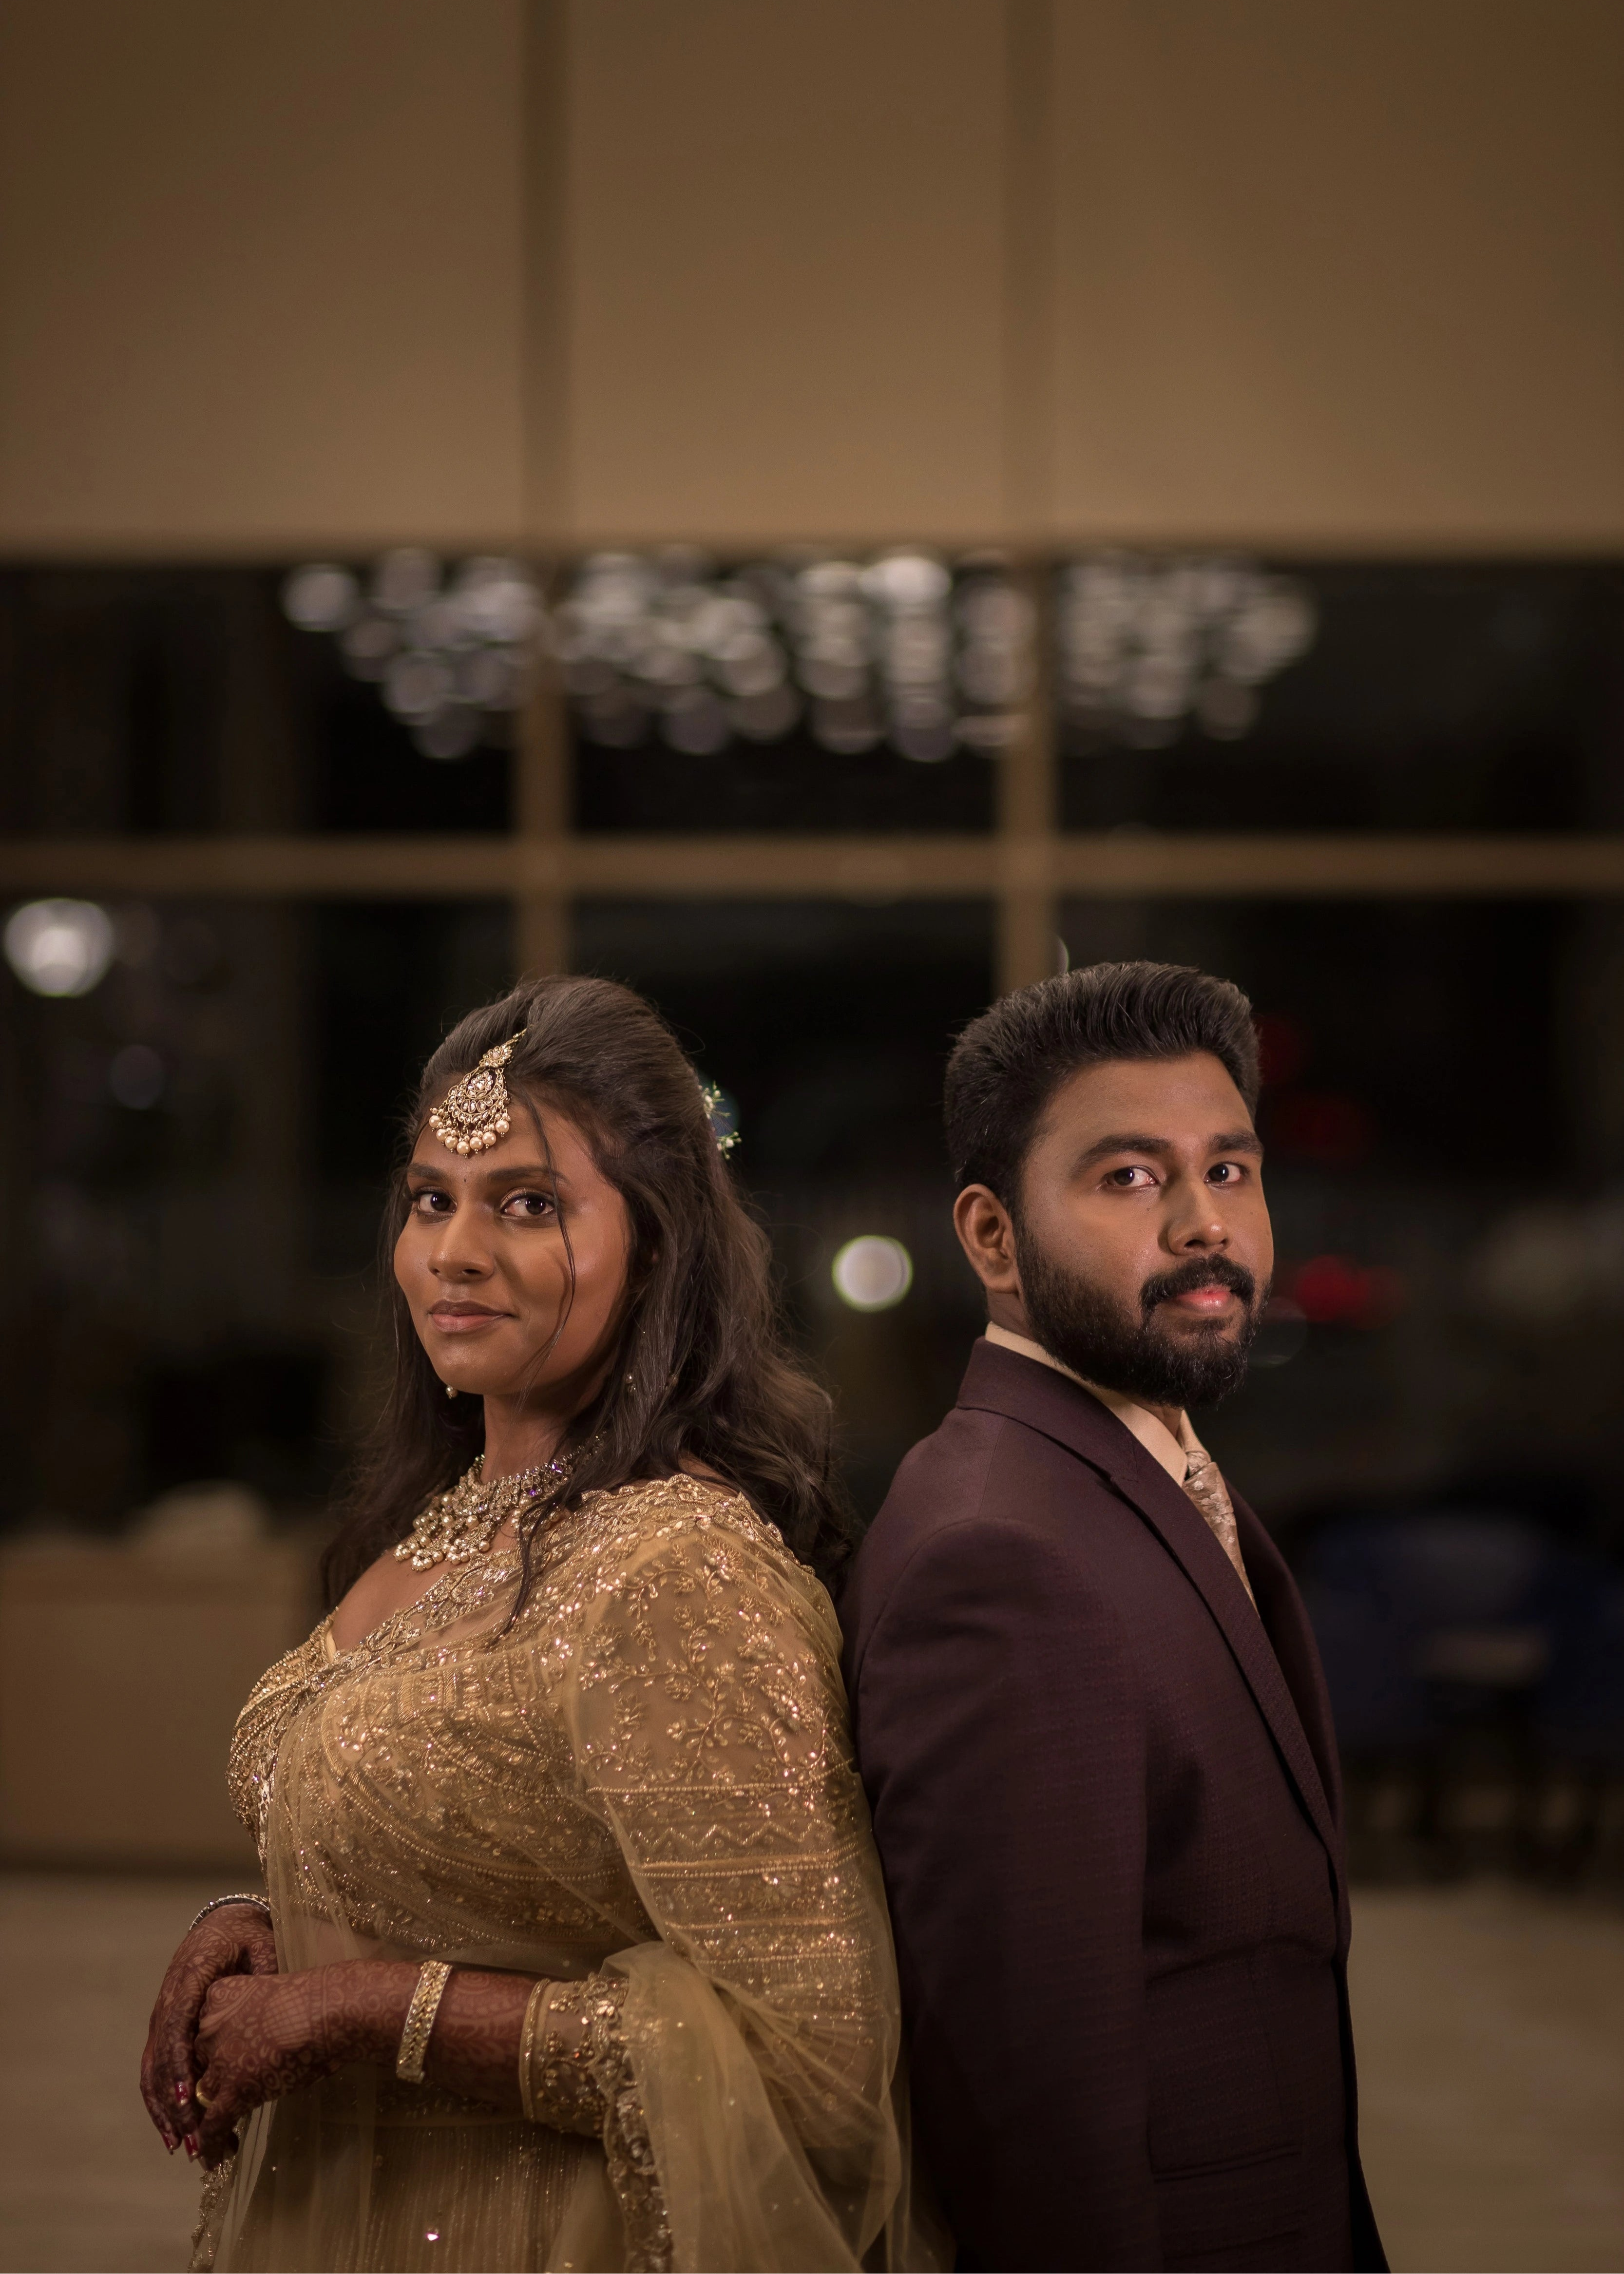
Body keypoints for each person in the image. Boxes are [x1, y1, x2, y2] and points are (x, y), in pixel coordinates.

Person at [141, 974, 938, 2274]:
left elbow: (813, 2071)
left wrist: (363, 2008)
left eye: (527, 1204)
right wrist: (281, 1923)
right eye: (430, 1201)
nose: (454, 1252)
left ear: (657, 1245)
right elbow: (493, 1876)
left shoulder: (679, 1572)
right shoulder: (447, 1518)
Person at [841, 962, 1389, 2274]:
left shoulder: (1139, 1467)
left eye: (1230, 1170)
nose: (1205, 1225)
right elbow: (1031, 2112)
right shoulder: (998, 1557)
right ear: (991, 1238)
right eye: (1131, 1178)